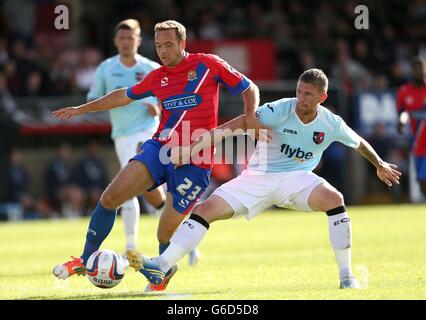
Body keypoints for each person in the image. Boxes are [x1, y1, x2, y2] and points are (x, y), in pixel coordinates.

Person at [128, 69, 402, 290]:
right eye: (299, 91)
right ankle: (160, 266)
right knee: (203, 210)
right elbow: (232, 126)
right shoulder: (279, 109)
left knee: (335, 199)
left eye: (308, 94)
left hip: (297, 179)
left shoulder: (331, 123)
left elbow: (358, 142)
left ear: (323, 97)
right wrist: (190, 149)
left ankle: (346, 277)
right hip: (257, 177)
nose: (301, 98)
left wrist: (378, 164)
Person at [52, 20, 262, 291]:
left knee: (164, 232)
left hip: (196, 160)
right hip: (160, 149)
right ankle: (84, 258)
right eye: (159, 45)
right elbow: (122, 96)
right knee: (110, 197)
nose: (163, 51)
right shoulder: (157, 76)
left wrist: (251, 117)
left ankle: (162, 274)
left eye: (169, 45)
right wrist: (82, 109)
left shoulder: (208, 65)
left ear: (182, 43)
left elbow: (249, 88)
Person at [86, 19, 169, 257]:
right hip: (121, 135)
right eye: (122, 38)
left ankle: (131, 245)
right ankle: (180, 238)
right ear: (115, 41)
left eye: (130, 38)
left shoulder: (151, 67)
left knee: (129, 185)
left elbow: (166, 98)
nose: (126, 42)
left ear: (139, 41)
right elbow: (94, 98)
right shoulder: (106, 69)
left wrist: (157, 106)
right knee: (149, 190)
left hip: (149, 131)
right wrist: (111, 102)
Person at [396, 57, 426, 198]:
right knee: (421, 183)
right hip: (417, 143)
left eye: (421, 68)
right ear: (411, 71)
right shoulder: (404, 91)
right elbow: (403, 113)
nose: (419, 71)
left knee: (424, 179)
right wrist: (401, 123)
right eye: (416, 69)